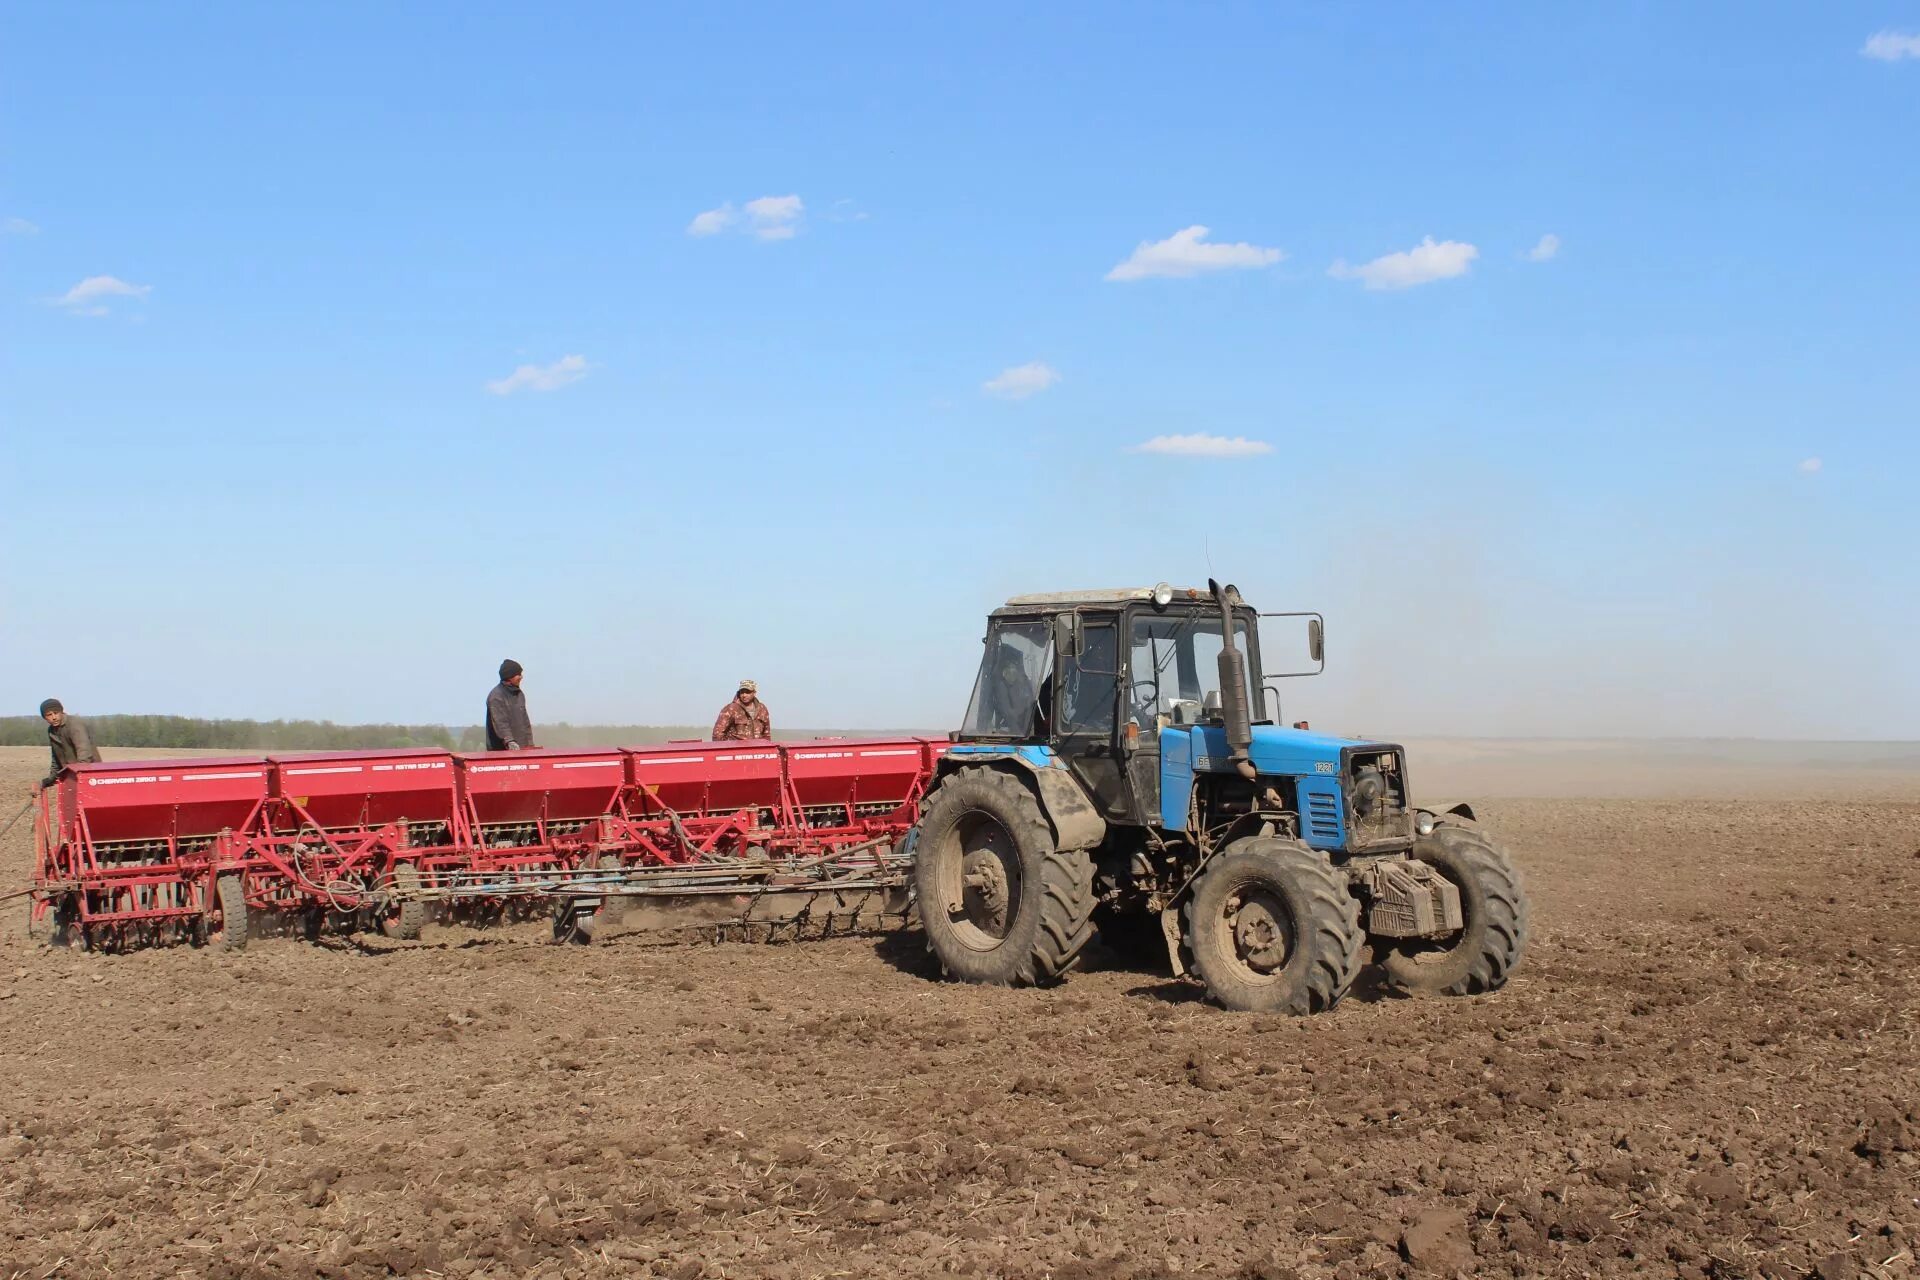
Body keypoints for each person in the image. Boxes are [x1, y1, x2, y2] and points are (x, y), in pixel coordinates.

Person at [39, 698, 101, 788]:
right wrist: (51, 778)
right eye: (49, 715)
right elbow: (56, 757)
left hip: (91, 775)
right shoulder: (52, 731)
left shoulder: (74, 724)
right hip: (72, 776)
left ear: (61, 712)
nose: (54, 717)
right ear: (45, 718)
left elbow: (84, 751)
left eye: (56, 713)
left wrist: (80, 775)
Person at [485, 660, 536, 751]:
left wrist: (530, 744)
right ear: (509, 677)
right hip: (501, 751)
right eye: (518, 674)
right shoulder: (496, 696)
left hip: (522, 748)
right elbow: (500, 723)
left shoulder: (519, 694)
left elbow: (525, 722)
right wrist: (510, 741)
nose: (521, 677)